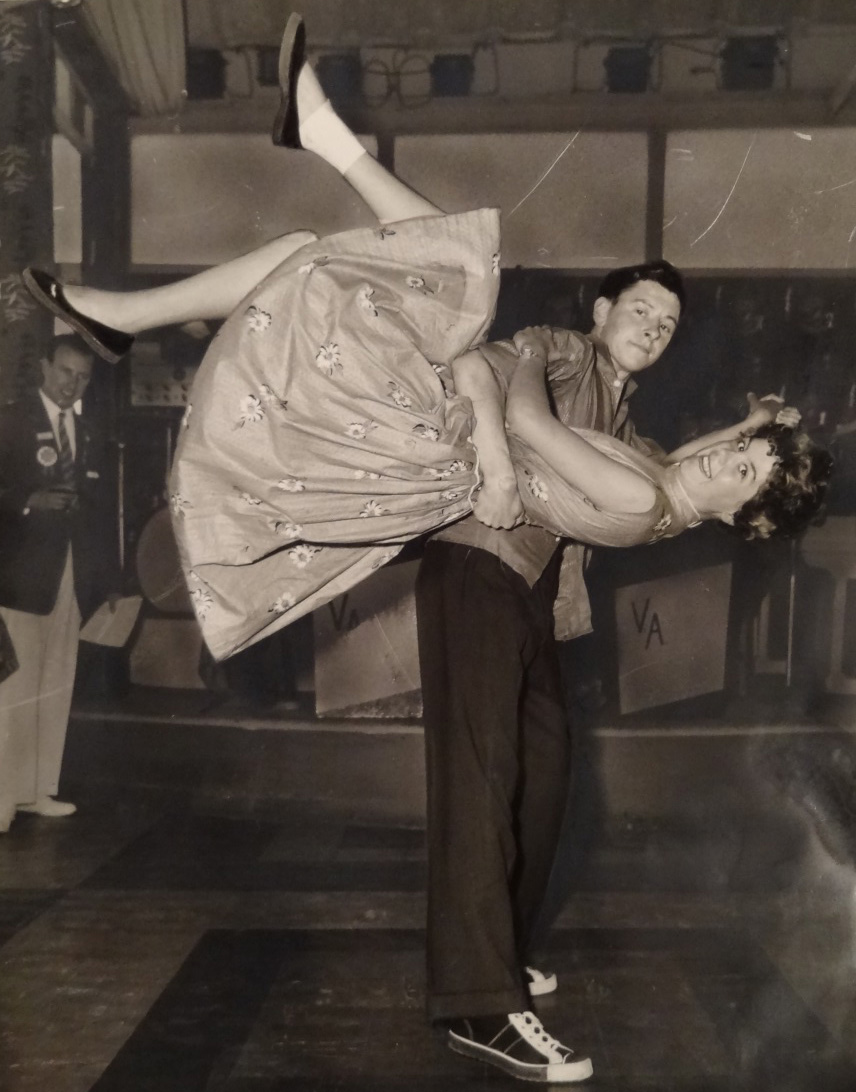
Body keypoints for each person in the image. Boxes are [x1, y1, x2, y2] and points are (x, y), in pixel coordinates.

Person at [19, 15, 831, 1082]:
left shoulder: (641, 443)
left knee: (546, 783)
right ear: (602, 311)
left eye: (666, 325)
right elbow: (515, 389)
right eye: (639, 310)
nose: (651, 328)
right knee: (429, 261)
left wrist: (748, 433)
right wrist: (497, 440)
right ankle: (479, 1000)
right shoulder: (577, 371)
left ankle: (498, 949)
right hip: (457, 481)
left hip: (510, 564)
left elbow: (670, 472)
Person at [0, 335, 121, 834]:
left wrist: (110, 578)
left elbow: (101, 511)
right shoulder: (10, 421)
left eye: (83, 377)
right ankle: (3, 796)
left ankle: (37, 790)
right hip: (19, 576)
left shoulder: (88, 431)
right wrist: (28, 501)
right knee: (13, 686)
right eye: (66, 372)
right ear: (45, 367)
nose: (72, 385)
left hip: (73, 572)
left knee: (55, 682)